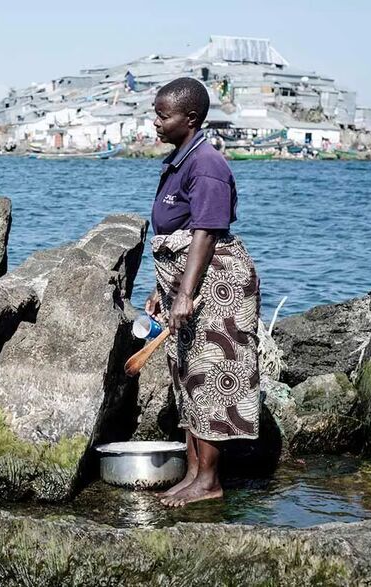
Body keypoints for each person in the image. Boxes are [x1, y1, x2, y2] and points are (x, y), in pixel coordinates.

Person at [146, 77, 261, 508]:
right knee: (188, 377)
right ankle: (194, 473)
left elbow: (206, 234)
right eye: (156, 113)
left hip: (216, 283)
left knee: (212, 376)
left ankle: (210, 480)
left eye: (164, 115)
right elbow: (170, 231)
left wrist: (185, 293)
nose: (156, 122)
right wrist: (163, 289)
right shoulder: (181, 160)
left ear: (190, 119)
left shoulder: (207, 164)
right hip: (188, 282)